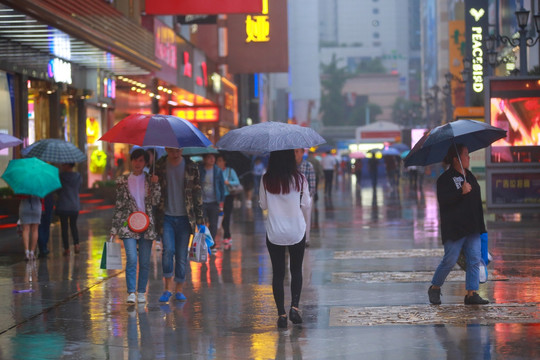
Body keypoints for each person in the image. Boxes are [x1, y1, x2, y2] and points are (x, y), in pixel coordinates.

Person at [428, 144, 489, 305]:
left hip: (472, 227)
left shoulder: (470, 176)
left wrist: (481, 228)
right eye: (466, 155)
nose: (469, 158)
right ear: (456, 159)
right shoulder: (445, 179)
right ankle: (435, 287)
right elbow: (444, 201)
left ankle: (471, 294)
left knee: (474, 259)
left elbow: (476, 205)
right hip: (454, 228)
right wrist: (460, 192)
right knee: (450, 259)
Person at [259, 150, 311, 329]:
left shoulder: (266, 179)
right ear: (291, 158)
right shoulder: (299, 179)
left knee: (278, 273)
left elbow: (263, 205)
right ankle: (294, 308)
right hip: (296, 231)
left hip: (274, 232)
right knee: (296, 270)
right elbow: (306, 204)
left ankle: (281, 314)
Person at [155, 147, 205, 303]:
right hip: (166, 216)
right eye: (171, 151)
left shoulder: (191, 166)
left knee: (182, 256)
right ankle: (167, 288)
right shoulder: (159, 166)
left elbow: (197, 193)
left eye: (177, 151)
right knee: (168, 250)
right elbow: (154, 193)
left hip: (185, 218)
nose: (175, 154)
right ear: (166, 149)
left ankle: (179, 289)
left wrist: (200, 220)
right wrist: (153, 183)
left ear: (182, 150)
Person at [110, 149, 160, 304]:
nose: (138, 163)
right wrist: (113, 229)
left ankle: (141, 291)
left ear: (146, 163)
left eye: (141, 161)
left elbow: (156, 201)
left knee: (144, 261)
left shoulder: (150, 179)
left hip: (147, 224)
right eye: (135, 160)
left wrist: (156, 185)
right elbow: (119, 206)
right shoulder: (122, 181)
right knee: (132, 258)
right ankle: (131, 292)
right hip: (127, 224)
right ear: (131, 161)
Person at [198, 153, 225, 250]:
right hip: (202, 202)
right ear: (204, 159)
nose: (212, 159)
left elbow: (222, 185)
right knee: (202, 223)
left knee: (214, 224)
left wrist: (221, 200)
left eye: (213, 157)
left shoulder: (217, 170)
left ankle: (211, 243)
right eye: (209, 157)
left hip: (214, 201)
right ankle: (204, 242)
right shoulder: (200, 170)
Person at [56, 163, 82, 256]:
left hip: (63, 205)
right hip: (74, 205)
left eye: (64, 165)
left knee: (64, 227)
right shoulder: (78, 176)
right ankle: (76, 244)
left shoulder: (60, 177)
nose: (62, 166)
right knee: (73, 225)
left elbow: (58, 190)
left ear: (67, 166)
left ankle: (66, 248)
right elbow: (79, 188)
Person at [216, 154, 239, 250]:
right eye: (218, 161)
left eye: (221, 160)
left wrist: (228, 182)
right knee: (221, 217)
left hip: (228, 196)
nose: (219, 163)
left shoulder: (230, 171)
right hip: (218, 197)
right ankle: (227, 235)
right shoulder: (215, 171)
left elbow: (237, 182)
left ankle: (227, 236)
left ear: (224, 161)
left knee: (227, 216)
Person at [294, 148, 316, 247]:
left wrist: (308, 197)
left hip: (305, 197)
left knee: (306, 218)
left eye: (298, 151)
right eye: (294, 152)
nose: (296, 154)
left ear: (303, 153)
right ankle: (295, 238)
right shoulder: (290, 166)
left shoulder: (308, 166)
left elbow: (312, 184)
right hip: (292, 197)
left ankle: (306, 239)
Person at [19, 195, 41, 261]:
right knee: (35, 230)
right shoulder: (39, 185)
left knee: (25, 229)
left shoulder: (23, 185)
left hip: (24, 206)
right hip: (36, 206)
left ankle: (27, 253)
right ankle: (32, 253)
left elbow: (18, 195)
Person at [37, 192, 54, 258]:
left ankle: (43, 247)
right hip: (43, 207)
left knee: (43, 227)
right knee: (43, 228)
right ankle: (43, 247)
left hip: (45, 207)